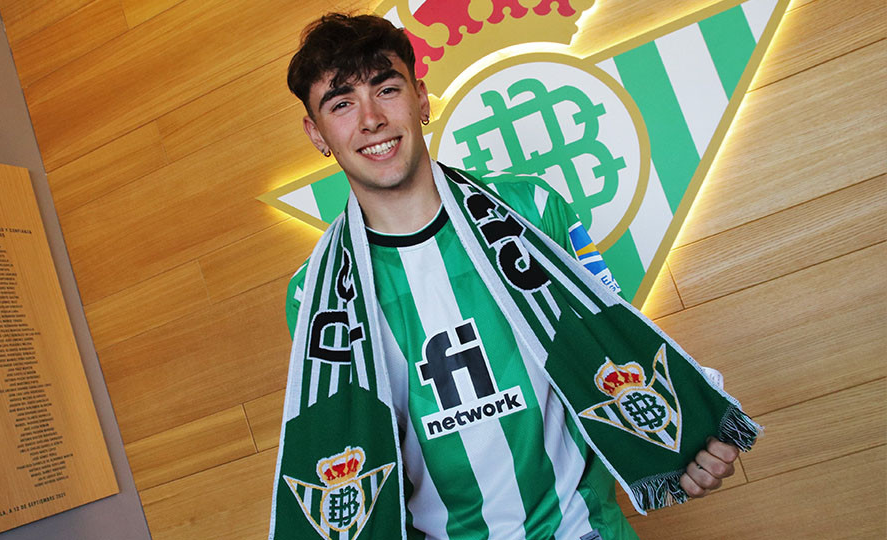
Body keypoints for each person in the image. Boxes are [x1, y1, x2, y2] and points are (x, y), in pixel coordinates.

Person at [271, 13, 748, 540]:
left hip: (583, 529)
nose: (371, 119)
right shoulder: (314, 295)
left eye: (387, 89)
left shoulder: (533, 209)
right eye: (341, 104)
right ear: (317, 133)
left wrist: (691, 437)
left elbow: (616, 338)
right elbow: (351, 443)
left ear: (421, 99)